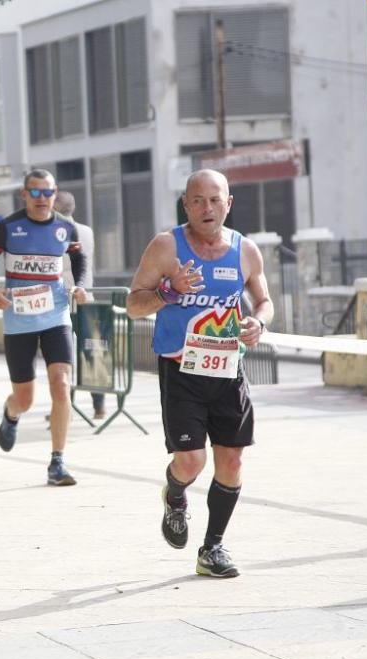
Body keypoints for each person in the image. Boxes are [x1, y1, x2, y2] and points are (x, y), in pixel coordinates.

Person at [126, 168, 273, 578]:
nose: (206, 208)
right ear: (185, 205)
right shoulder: (165, 246)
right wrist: (169, 292)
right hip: (181, 370)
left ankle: (212, 548)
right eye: (197, 200)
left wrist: (259, 323)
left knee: (231, 461)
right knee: (190, 462)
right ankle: (175, 495)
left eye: (215, 200)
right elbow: (134, 305)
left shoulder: (246, 250)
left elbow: (264, 301)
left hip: (228, 370)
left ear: (228, 203)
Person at [0, 168, 87, 487]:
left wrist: (78, 285)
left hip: (55, 315)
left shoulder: (66, 228)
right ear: (24, 195)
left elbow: (80, 261)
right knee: (24, 398)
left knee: (61, 382)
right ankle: (11, 413)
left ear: (55, 194)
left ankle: (57, 460)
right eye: (35, 193)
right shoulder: (8, 227)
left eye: (48, 192)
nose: (42, 199)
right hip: (19, 319)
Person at [53, 191, 106, 420]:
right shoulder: (87, 231)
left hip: (63, 301)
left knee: (62, 356)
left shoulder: (56, 234)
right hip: (87, 298)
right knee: (92, 352)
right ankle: (99, 405)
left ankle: (64, 406)